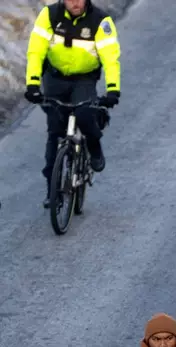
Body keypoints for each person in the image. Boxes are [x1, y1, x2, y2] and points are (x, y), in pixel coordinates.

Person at [23, 0, 121, 208]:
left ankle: (94, 145)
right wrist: (32, 83)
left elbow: (111, 58)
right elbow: (36, 51)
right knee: (54, 131)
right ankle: (52, 191)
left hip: (84, 80)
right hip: (54, 78)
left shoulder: (100, 21)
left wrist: (112, 89)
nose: (75, 3)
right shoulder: (49, 16)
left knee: (85, 114)